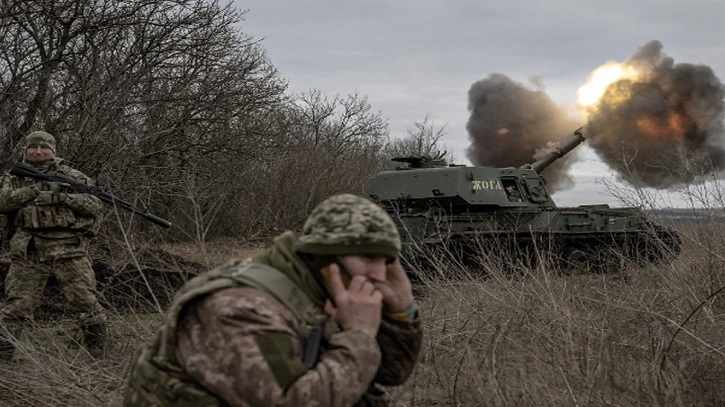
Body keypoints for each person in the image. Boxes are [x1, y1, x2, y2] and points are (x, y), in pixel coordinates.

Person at [124, 193, 422, 406]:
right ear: (325, 257)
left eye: (387, 261)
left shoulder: (324, 290)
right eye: (369, 258)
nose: (380, 274)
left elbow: (390, 372)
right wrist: (358, 336)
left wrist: (401, 311)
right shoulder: (240, 308)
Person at [0, 130, 106, 360]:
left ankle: (96, 354)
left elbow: (95, 206)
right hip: (29, 249)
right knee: (16, 305)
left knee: (85, 301)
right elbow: (3, 201)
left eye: (44, 147)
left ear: (53, 150)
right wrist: (33, 190)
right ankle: (4, 360)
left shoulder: (72, 176)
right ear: (26, 150)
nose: (38, 152)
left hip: (68, 247)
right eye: (33, 147)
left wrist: (63, 198)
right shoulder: (14, 177)